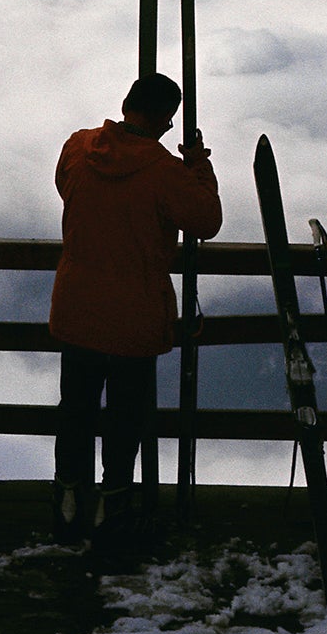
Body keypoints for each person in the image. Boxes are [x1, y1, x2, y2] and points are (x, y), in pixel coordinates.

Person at [49, 70, 221, 545]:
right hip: (134, 313)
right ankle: (114, 506)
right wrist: (198, 166)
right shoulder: (165, 171)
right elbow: (206, 221)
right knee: (125, 417)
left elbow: (67, 189)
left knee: (76, 410)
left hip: (78, 305)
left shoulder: (78, 148)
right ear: (167, 120)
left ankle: (68, 501)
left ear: (125, 103)